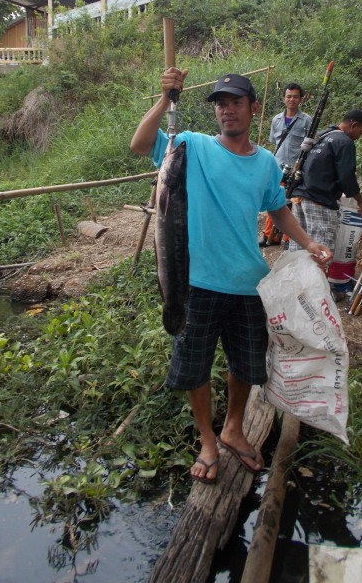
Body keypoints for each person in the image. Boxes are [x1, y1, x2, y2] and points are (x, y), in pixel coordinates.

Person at [130, 69, 333, 485]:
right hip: (196, 282)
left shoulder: (265, 163)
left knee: (245, 365)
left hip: (247, 282)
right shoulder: (191, 146)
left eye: (235, 102)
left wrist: (309, 243)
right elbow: (139, 144)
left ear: (253, 108)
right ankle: (207, 439)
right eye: (221, 103)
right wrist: (165, 97)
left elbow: (277, 207)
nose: (226, 110)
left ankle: (233, 427)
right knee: (195, 365)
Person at [288, 108, 362, 258]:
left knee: (299, 251)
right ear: (354, 124)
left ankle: (297, 281)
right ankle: (316, 282)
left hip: (300, 198)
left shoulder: (322, 136)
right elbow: (346, 177)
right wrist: (360, 201)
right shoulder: (344, 142)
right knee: (321, 253)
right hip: (320, 201)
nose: (358, 137)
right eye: (361, 132)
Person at [260, 82, 312, 248]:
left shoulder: (307, 121)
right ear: (284, 98)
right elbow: (273, 142)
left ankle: (290, 239)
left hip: (297, 169)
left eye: (295, 97)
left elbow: (312, 145)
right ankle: (270, 236)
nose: (292, 99)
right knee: (273, 200)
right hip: (277, 167)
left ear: (301, 99)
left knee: (293, 203)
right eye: (289, 96)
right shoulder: (276, 120)